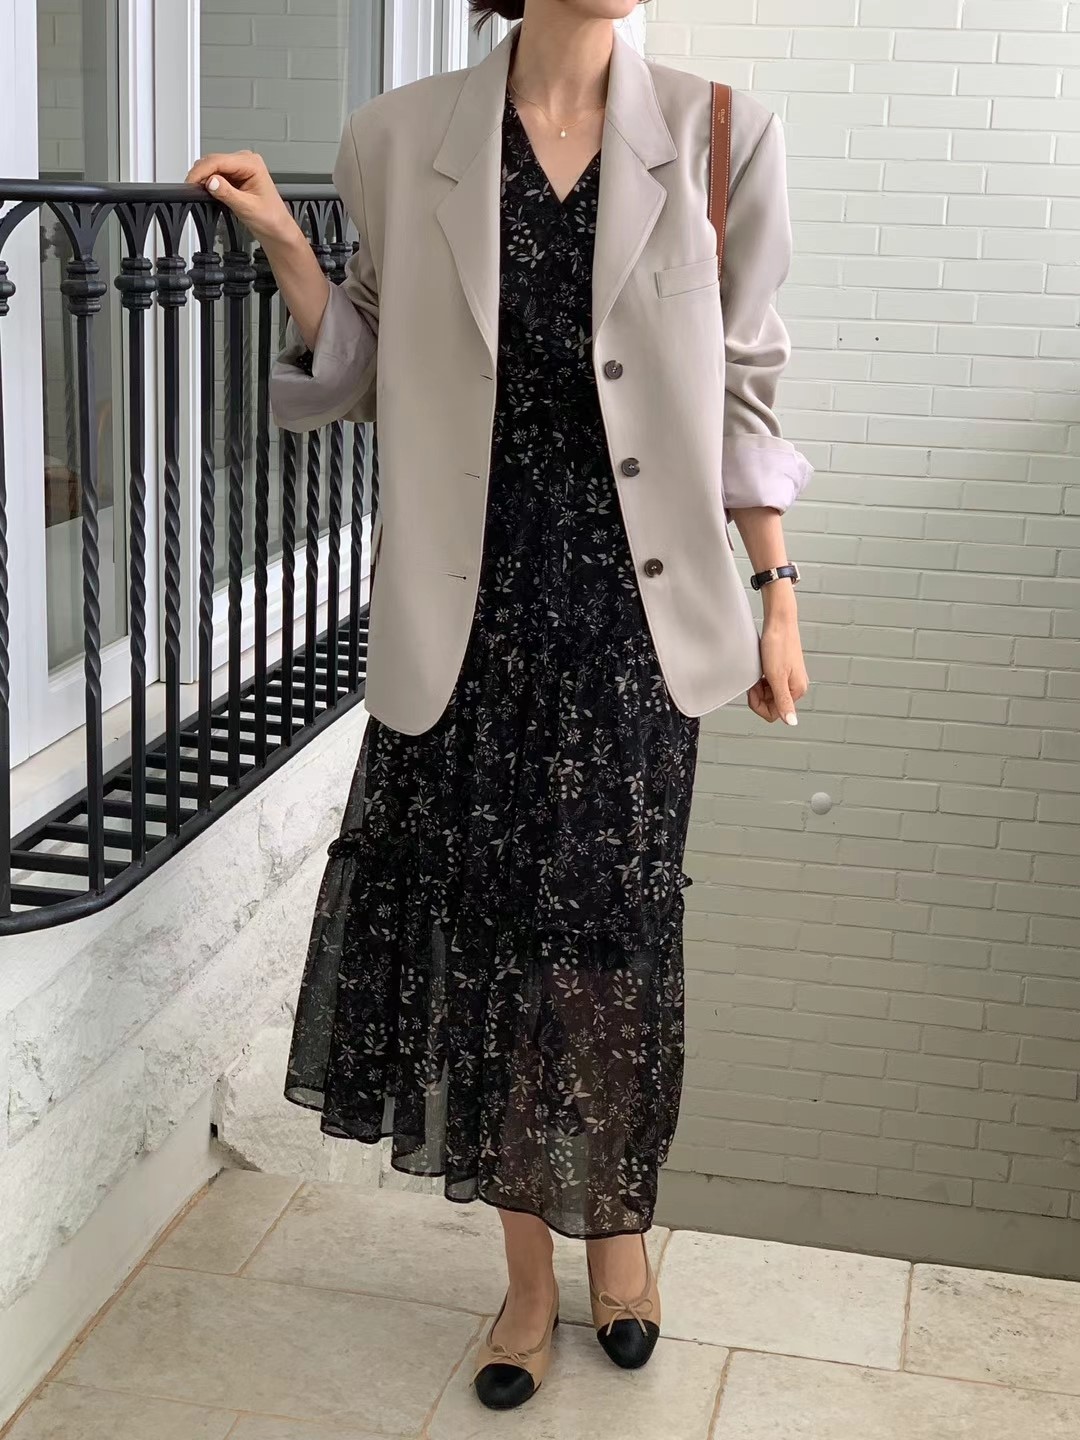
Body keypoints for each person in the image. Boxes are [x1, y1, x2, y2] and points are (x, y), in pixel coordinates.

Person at [186, 0, 811, 1412]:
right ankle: (527, 1282)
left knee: (604, 949)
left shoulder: (722, 134)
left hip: (634, 628)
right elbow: (359, 367)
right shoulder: (397, 137)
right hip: (467, 618)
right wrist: (287, 246)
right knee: (488, 947)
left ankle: (618, 1236)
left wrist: (778, 588)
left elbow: (746, 382)